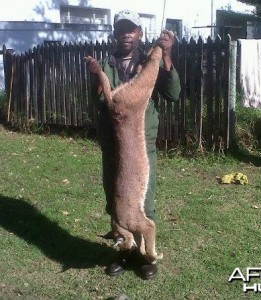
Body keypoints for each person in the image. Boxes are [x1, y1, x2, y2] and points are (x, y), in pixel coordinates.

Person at [87, 9, 181, 280]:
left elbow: (173, 94)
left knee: (144, 202)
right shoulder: (106, 64)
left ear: (140, 33)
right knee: (115, 202)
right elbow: (101, 105)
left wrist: (166, 55)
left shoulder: (148, 62)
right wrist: (96, 78)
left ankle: (145, 255)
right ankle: (123, 251)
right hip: (112, 145)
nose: (126, 34)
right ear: (114, 34)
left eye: (131, 29)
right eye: (121, 29)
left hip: (141, 144)